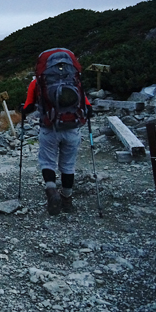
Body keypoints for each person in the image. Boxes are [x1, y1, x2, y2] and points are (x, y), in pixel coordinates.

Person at [22, 49, 93, 215]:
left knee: (47, 162)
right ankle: (67, 199)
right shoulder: (75, 81)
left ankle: (52, 191)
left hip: (49, 128)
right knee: (68, 164)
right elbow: (87, 106)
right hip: (72, 128)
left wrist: (22, 110)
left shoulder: (38, 83)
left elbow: (28, 107)